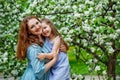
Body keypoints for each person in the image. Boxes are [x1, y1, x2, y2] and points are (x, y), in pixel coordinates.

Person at [16, 16, 61, 80]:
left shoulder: (42, 39)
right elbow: (38, 71)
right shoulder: (33, 48)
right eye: (32, 27)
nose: (37, 27)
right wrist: (54, 60)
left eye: (37, 23)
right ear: (29, 31)